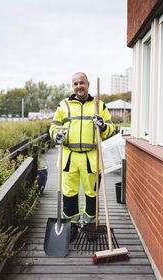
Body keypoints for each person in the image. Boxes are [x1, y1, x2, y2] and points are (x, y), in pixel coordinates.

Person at [49, 72, 115, 241]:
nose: (79, 86)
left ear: (88, 84)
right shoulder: (64, 105)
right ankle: (71, 227)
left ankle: (90, 226)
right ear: (73, 86)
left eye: (82, 83)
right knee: (69, 194)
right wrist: (56, 135)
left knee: (92, 195)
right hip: (69, 158)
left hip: (91, 158)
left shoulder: (99, 105)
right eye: (76, 83)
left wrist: (102, 126)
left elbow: (111, 128)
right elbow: (54, 125)